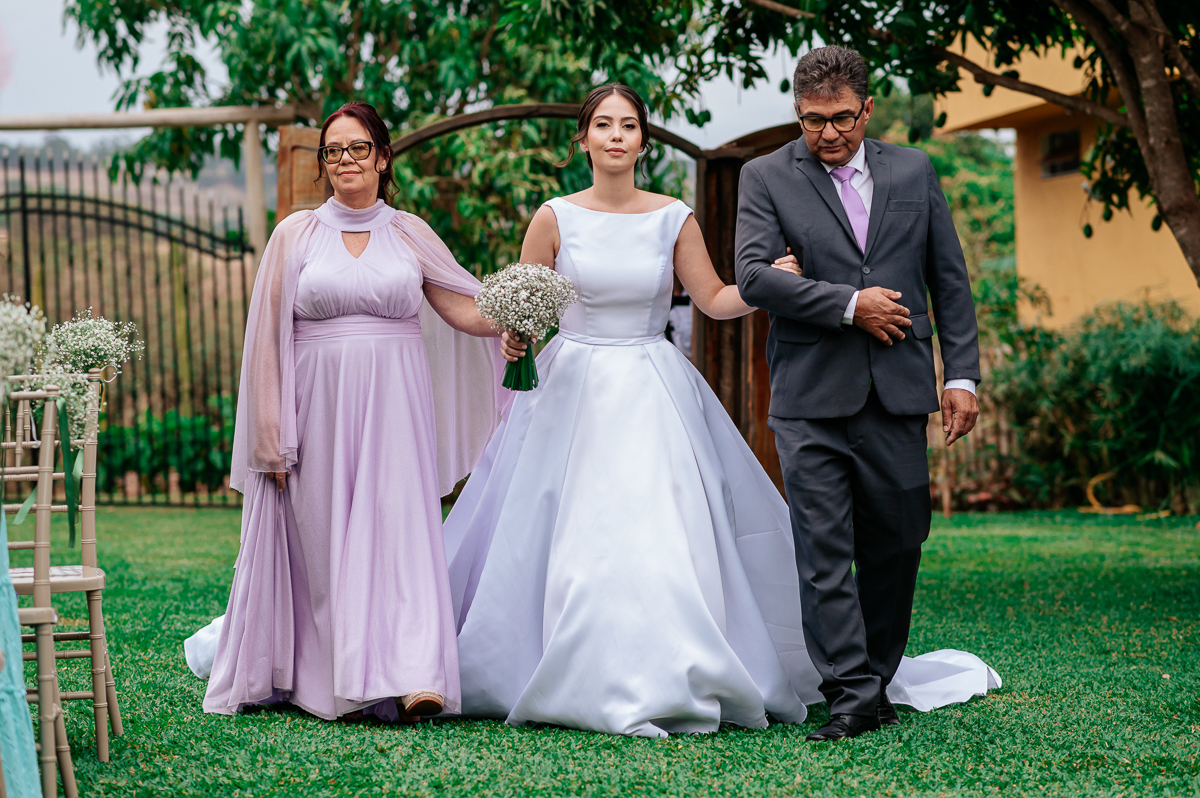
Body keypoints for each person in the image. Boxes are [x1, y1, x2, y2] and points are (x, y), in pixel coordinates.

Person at [442, 82, 828, 738]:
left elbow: (711, 299)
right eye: (603, 125)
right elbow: (524, 308)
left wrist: (771, 287)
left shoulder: (672, 215)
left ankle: (673, 666)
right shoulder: (554, 217)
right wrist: (515, 335)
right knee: (560, 530)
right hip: (569, 388)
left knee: (661, 531)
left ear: (643, 141)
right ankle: (538, 663)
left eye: (628, 125)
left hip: (652, 386)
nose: (616, 135)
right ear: (583, 140)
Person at [195, 101, 510, 722]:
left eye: (357, 148)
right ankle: (335, 676)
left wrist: (514, 321)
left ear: (383, 157)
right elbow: (266, 343)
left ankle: (416, 673)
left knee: (400, 533)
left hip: (396, 405)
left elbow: (464, 309)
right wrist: (269, 437)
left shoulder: (411, 232)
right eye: (333, 151)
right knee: (325, 543)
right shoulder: (296, 235)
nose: (344, 160)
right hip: (316, 409)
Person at [735, 45, 988, 741]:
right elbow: (755, 277)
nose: (828, 135)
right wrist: (851, 304)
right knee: (823, 549)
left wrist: (960, 375)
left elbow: (950, 280)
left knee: (898, 542)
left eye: (842, 119)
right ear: (798, 113)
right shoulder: (765, 177)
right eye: (812, 121)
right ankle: (849, 691)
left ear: (868, 109)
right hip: (810, 397)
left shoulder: (914, 169)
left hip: (900, 392)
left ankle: (876, 676)